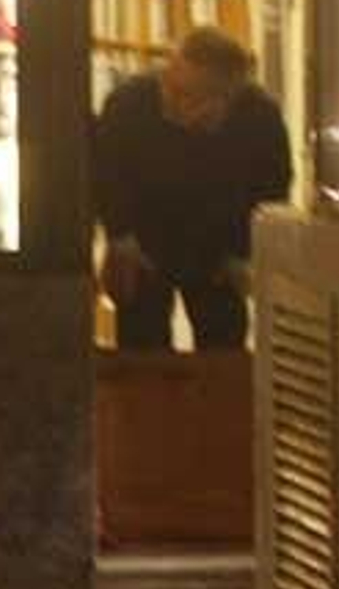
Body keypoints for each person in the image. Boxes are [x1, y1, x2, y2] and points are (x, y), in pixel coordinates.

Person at [93, 26, 293, 350]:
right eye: (166, 80)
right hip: (144, 243)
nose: (166, 96)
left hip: (220, 248)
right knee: (142, 352)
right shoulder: (129, 103)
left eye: (182, 93)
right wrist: (120, 237)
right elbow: (106, 174)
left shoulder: (261, 119)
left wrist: (242, 253)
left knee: (223, 348)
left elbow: (272, 191)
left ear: (222, 101)